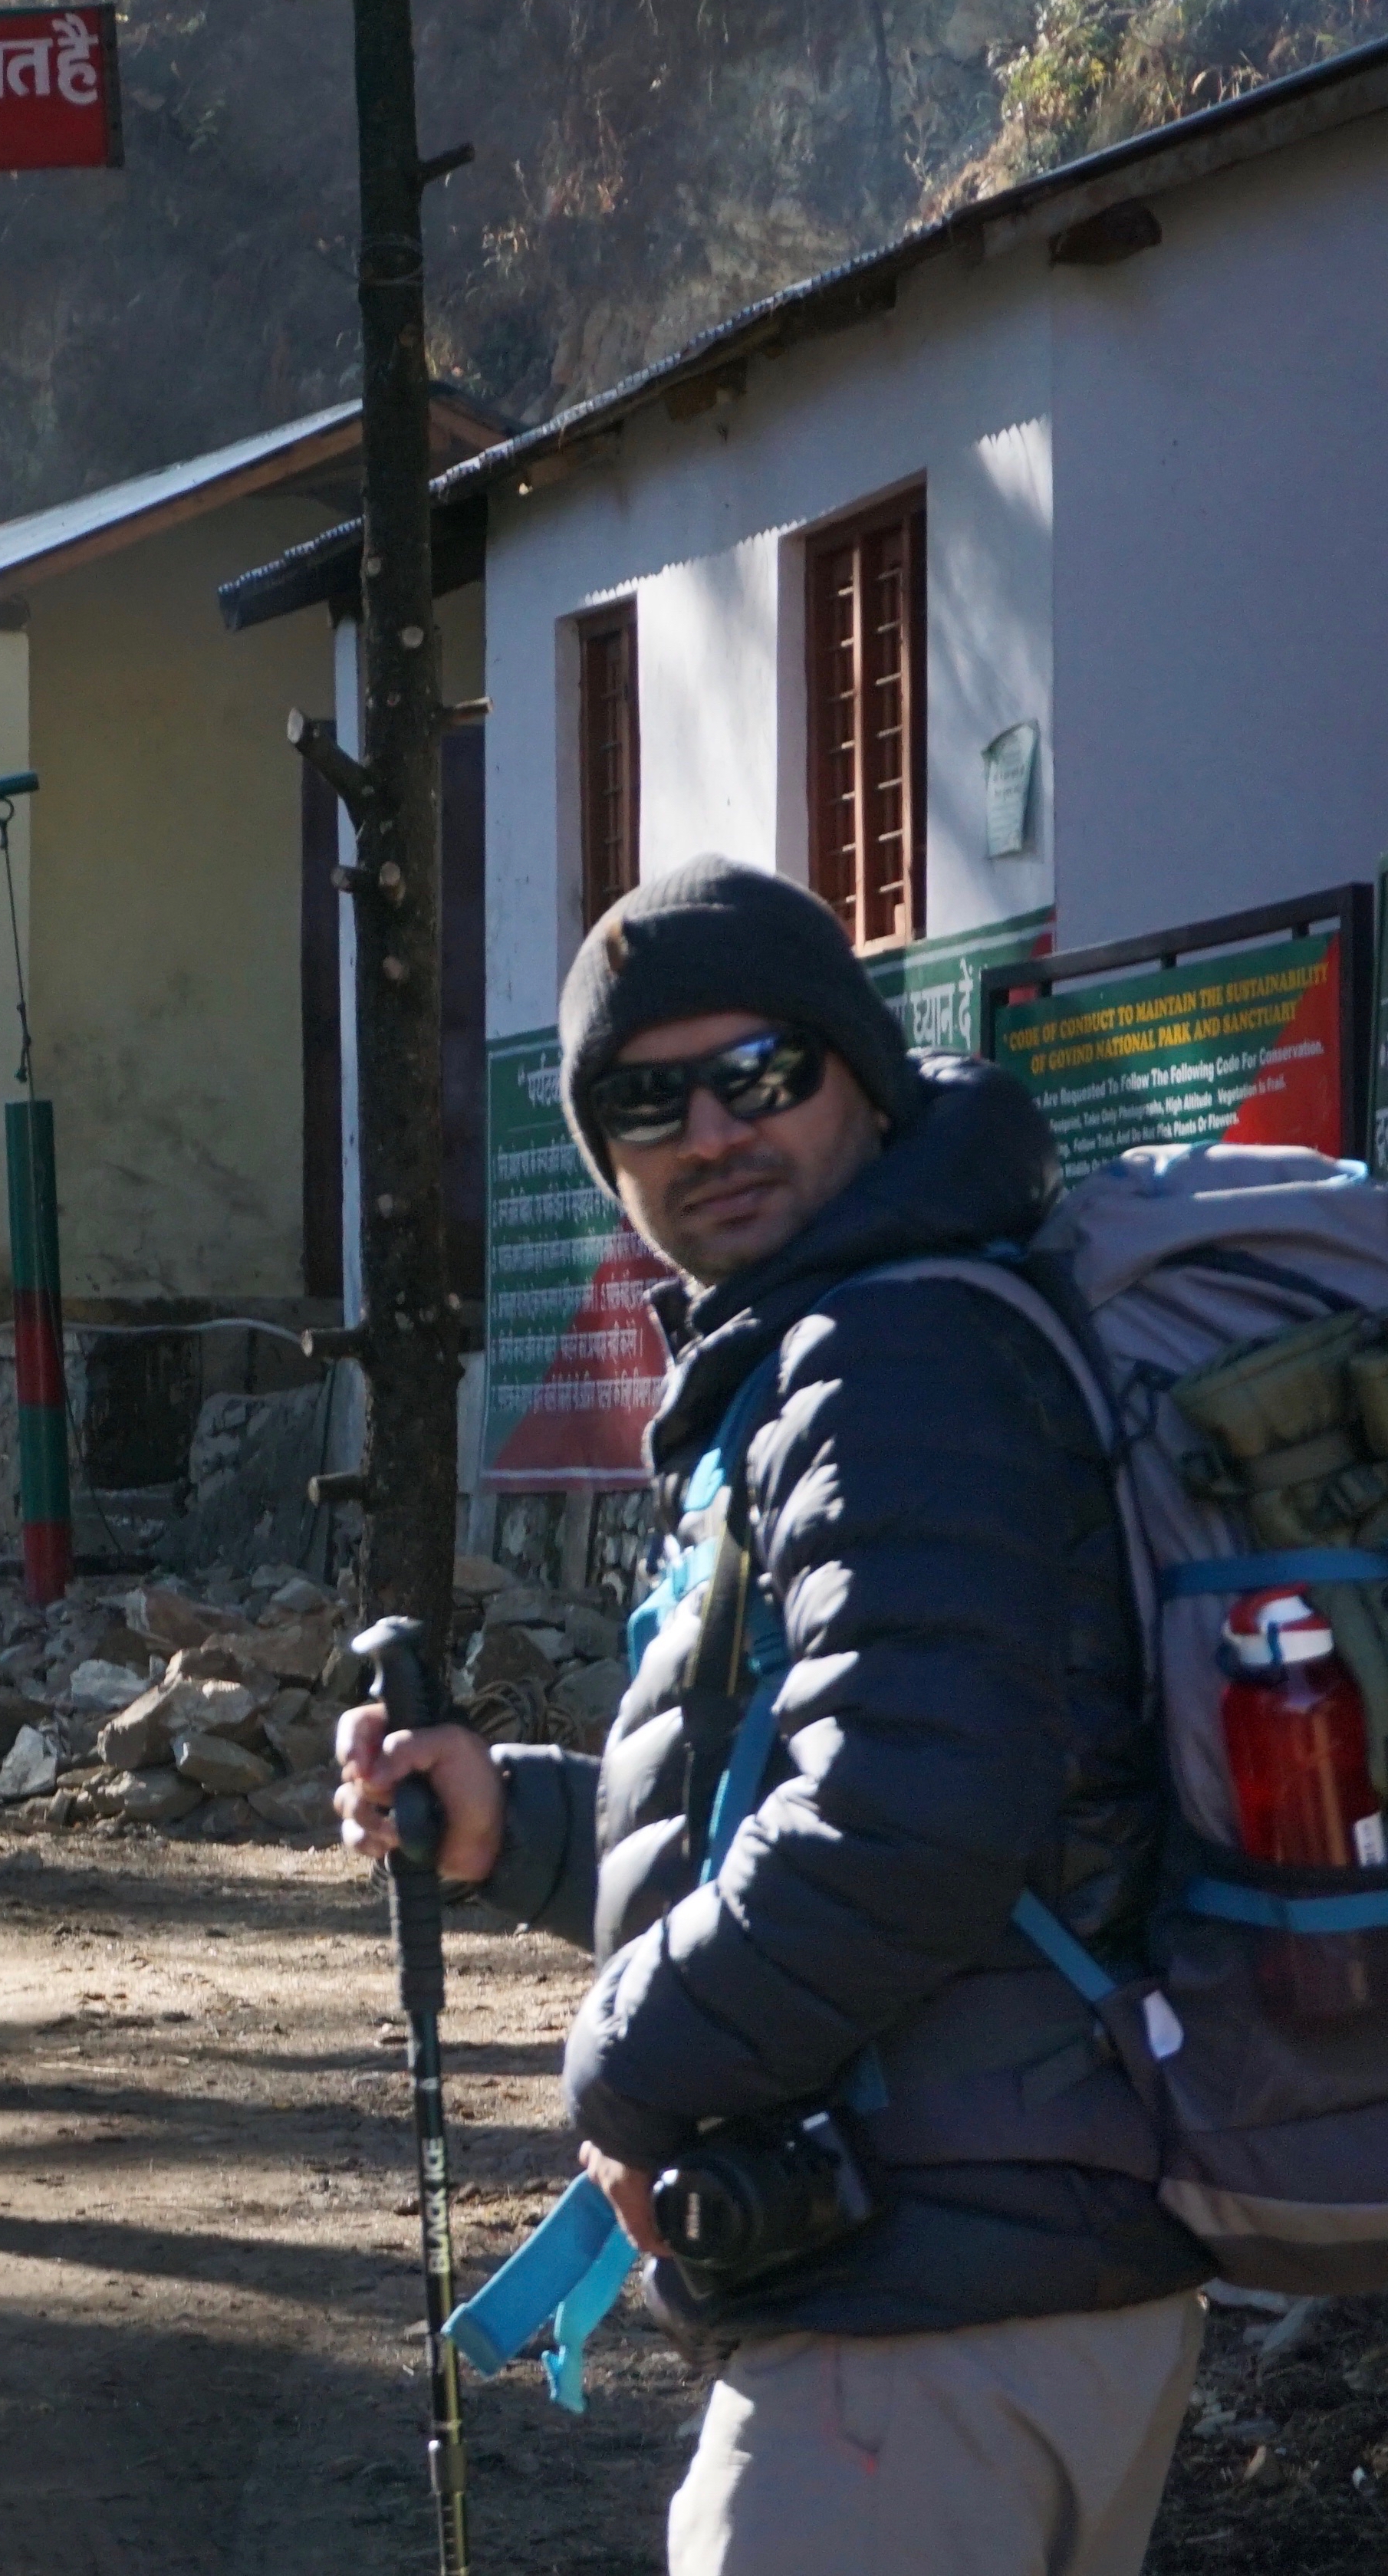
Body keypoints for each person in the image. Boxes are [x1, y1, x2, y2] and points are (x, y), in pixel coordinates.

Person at [336, 859, 1199, 2576]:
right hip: (990, 2282)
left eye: (759, 1072)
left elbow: (904, 1824)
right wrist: (521, 1822)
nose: (710, 1133)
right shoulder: (863, 1333)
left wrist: (627, 2068)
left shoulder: (889, 1358)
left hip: (925, 2329)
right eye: (645, 1103)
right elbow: (861, 1782)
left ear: (857, 1072)